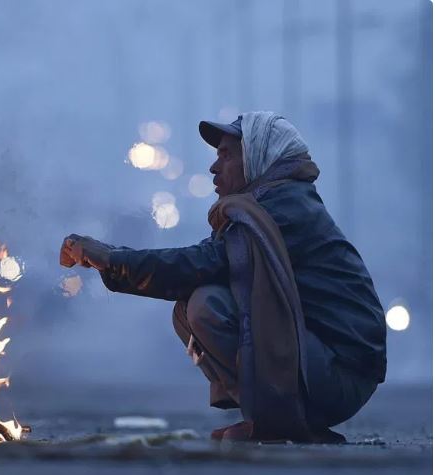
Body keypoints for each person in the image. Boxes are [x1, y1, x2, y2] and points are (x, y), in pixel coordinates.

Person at [60, 111, 386, 443]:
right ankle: (270, 418)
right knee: (189, 307)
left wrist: (112, 259)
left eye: (227, 155)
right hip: (325, 364)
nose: (214, 168)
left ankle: (277, 422)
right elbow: (202, 261)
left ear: (259, 159)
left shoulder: (283, 209)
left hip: (340, 373)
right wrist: (110, 256)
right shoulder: (267, 205)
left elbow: (200, 263)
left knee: (207, 304)